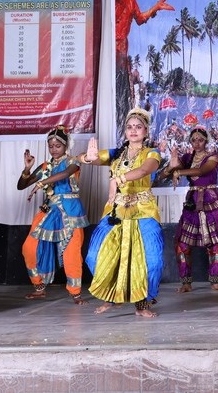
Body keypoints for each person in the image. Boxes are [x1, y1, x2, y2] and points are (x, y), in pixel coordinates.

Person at [81, 107, 164, 318]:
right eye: (129, 127)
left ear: (146, 131)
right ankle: (111, 296)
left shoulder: (152, 153)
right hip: (115, 212)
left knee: (152, 260)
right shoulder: (116, 154)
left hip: (144, 211)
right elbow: (88, 158)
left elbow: (144, 170)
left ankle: (142, 304)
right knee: (94, 255)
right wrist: (87, 158)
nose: (133, 130)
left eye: (138, 127)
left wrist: (118, 179)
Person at [16, 125, 89, 305]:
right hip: (49, 211)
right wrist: (27, 169)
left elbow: (65, 174)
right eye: (51, 146)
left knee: (71, 253)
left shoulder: (73, 161)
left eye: (58, 146)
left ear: (66, 146)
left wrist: (42, 183)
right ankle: (39, 287)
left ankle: (75, 293)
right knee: (29, 248)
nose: (54, 149)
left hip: (70, 211)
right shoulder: (45, 167)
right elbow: (21, 185)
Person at [114, 0, 174, 131]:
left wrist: (155, 7)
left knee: (125, 101)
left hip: (122, 55)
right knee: (115, 98)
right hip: (111, 54)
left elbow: (140, 19)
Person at [163, 125, 218, 293]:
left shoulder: (213, 157)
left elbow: (201, 171)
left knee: (215, 243)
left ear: (206, 141)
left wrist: (179, 172)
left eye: (200, 140)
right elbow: (166, 173)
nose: (197, 143)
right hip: (192, 202)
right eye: (193, 140)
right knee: (182, 244)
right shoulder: (187, 157)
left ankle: (215, 281)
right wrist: (172, 165)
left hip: (210, 201)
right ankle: (186, 283)